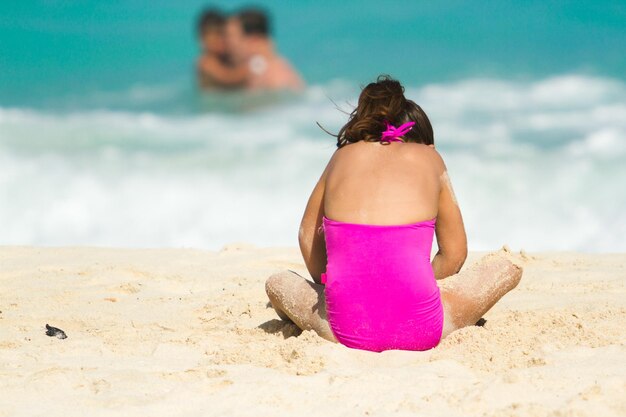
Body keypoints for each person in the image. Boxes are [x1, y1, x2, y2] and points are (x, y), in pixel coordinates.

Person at [265, 75, 523, 352]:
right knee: (506, 268)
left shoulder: (340, 157)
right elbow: (455, 254)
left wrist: (331, 286)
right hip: (422, 328)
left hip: (342, 330)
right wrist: (408, 286)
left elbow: (307, 236)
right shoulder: (431, 158)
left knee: (277, 282)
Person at [204, 7, 304, 91]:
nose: (225, 44)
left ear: (253, 40)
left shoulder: (273, 76)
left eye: (229, 37)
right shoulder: (268, 70)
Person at [196, 8, 241, 90]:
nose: (221, 40)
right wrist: (253, 68)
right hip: (212, 102)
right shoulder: (206, 62)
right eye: (215, 36)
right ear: (202, 39)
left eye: (223, 35)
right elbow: (228, 78)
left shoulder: (225, 59)